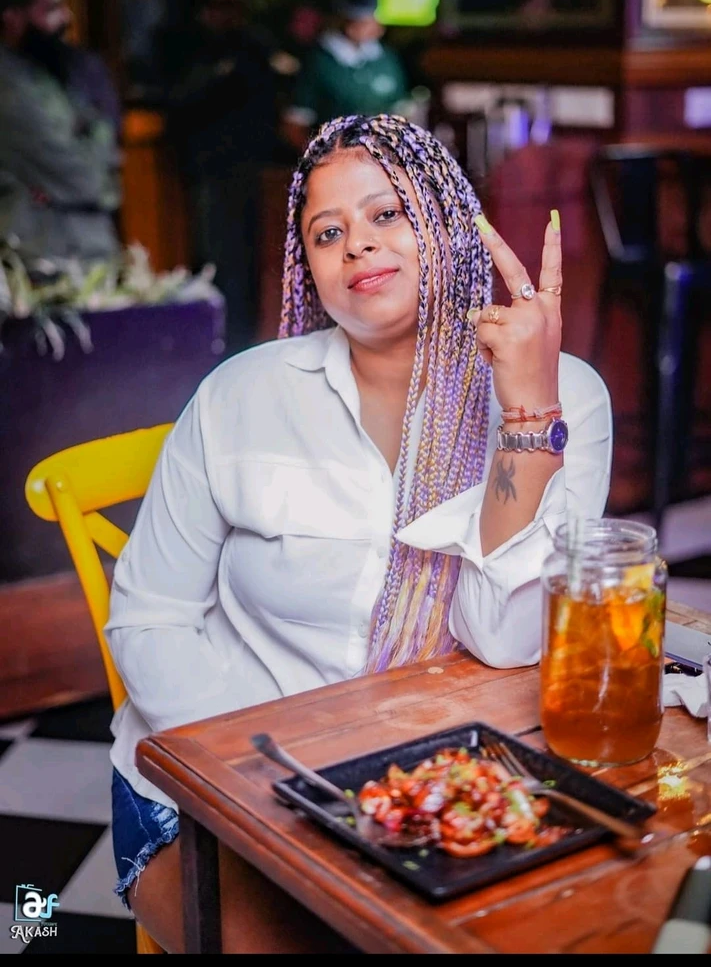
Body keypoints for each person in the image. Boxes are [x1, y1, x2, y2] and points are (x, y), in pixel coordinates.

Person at [106, 113, 612, 952]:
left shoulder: (566, 397)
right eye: (327, 232)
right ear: (306, 266)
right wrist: (273, 773)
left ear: (449, 223)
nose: (358, 246)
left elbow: (507, 639)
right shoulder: (240, 396)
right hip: (224, 783)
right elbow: (147, 619)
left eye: (387, 214)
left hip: (433, 776)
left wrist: (526, 414)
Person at [165, 0, 295, 354]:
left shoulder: (253, 46)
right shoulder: (187, 49)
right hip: (210, 171)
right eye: (215, 4)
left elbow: (270, 99)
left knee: (254, 268)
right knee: (218, 265)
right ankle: (217, 347)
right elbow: (179, 105)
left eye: (231, 4)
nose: (222, 13)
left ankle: (244, 347)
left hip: (254, 172)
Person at [0, 0, 121, 265]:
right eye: (51, 9)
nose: (66, 18)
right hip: (48, 260)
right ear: (11, 17)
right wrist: (96, 131)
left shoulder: (48, 68)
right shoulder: (10, 88)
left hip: (79, 251)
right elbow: (85, 178)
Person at [282, 0, 411, 152]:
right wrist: (324, 159)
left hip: (383, 158)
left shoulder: (386, 58)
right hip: (336, 156)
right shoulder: (319, 62)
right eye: (361, 20)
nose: (373, 25)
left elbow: (404, 115)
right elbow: (294, 125)